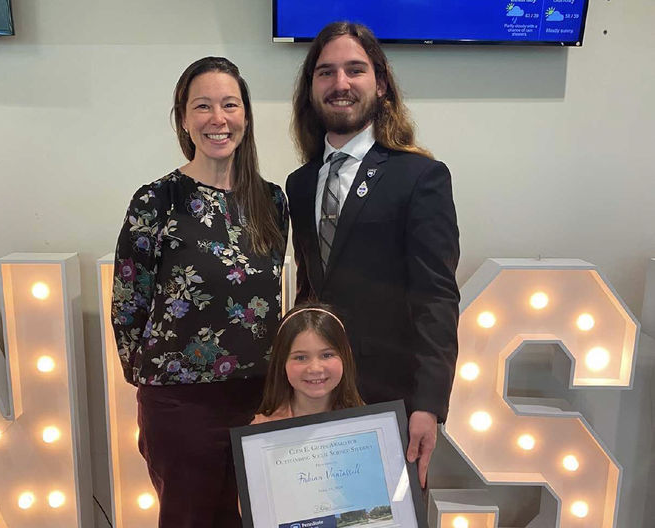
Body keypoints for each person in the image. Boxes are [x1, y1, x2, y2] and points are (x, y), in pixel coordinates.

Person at [111, 56, 288, 527]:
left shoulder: (272, 201)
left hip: (259, 399)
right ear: (184, 119)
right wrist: (154, 384)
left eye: (230, 105)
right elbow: (129, 303)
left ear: (246, 116)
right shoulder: (156, 200)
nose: (218, 118)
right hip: (180, 404)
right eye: (203, 106)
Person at [286, 22, 460, 489]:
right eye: (325, 72)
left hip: (393, 402)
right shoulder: (299, 185)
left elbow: (436, 297)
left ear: (380, 84)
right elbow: (309, 293)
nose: (340, 83)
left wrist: (428, 403)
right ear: (311, 89)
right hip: (318, 396)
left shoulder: (420, 176)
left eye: (354, 70)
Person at [252, 303, 365, 424]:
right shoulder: (261, 431)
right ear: (281, 362)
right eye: (301, 357)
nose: (315, 368)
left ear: (345, 356)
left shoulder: (369, 422)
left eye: (327, 355)